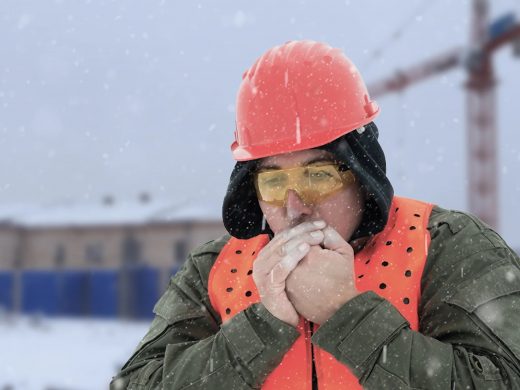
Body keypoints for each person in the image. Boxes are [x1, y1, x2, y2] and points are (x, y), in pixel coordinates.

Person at [110, 40, 520, 389]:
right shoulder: (214, 270)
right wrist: (263, 324)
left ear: (362, 173)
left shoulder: (447, 246)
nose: (294, 206)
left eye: (319, 175)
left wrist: (348, 314)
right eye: (272, 182)